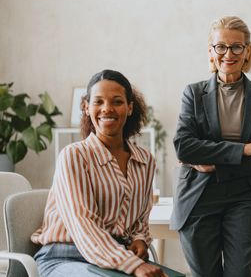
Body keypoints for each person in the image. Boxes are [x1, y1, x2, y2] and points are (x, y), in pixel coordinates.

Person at [172, 16, 251, 277]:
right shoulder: (193, 93)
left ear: (247, 50)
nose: (229, 53)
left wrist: (213, 164)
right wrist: (245, 149)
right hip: (199, 196)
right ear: (211, 51)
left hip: (247, 196)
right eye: (221, 47)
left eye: (237, 46)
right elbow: (184, 147)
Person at [31, 70, 165, 277]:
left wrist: (139, 239)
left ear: (130, 108)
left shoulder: (145, 160)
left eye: (117, 102)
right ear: (86, 107)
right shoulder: (74, 156)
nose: (107, 109)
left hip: (116, 257)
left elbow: (140, 219)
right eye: (98, 102)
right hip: (63, 258)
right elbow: (84, 225)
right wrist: (134, 265)